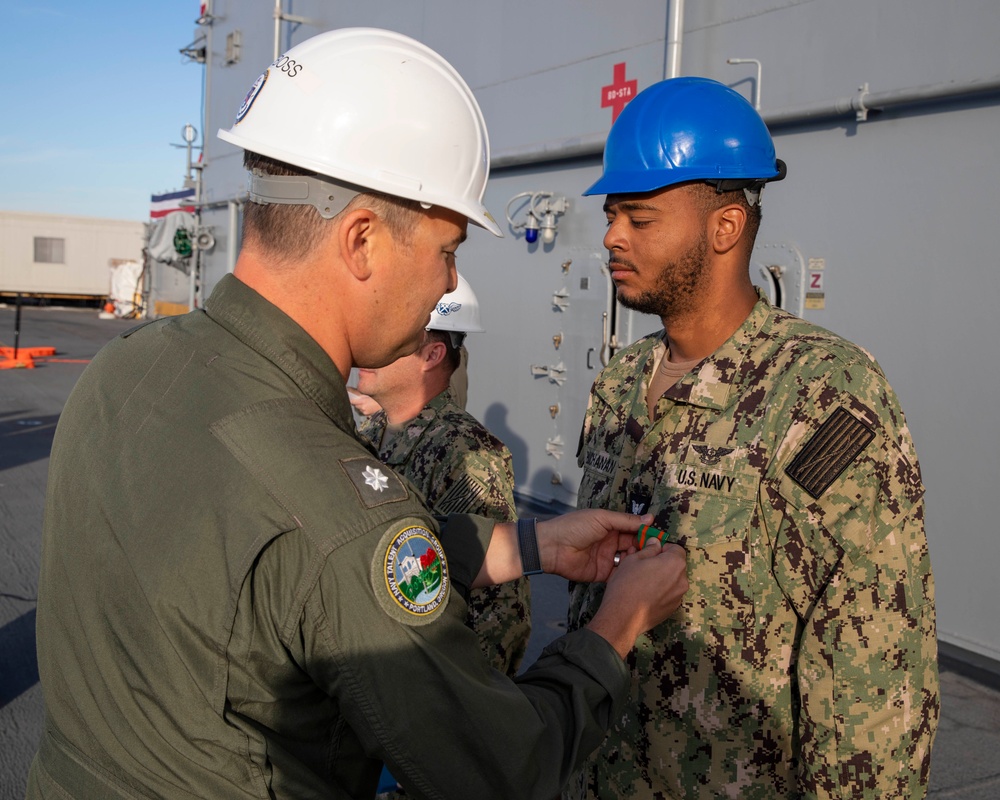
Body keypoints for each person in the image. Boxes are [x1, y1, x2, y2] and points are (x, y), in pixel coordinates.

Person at [27, 29, 689, 800]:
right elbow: (502, 764)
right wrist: (615, 630)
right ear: (363, 240)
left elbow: (263, 575)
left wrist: (531, 545)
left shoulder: (126, 370)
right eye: (448, 248)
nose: (447, 283)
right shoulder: (329, 499)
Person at [565, 76, 938, 800]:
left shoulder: (825, 396)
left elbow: (874, 685)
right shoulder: (619, 382)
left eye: (639, 218)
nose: (612, 236)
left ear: (725, 227)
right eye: (612, 215)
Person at [355, 274, 531, 679]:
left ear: (432, 355)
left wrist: (462, 709)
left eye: (388, 335)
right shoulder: (370, 433)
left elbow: (499, 612)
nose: (366, 345)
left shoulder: (467, 454)